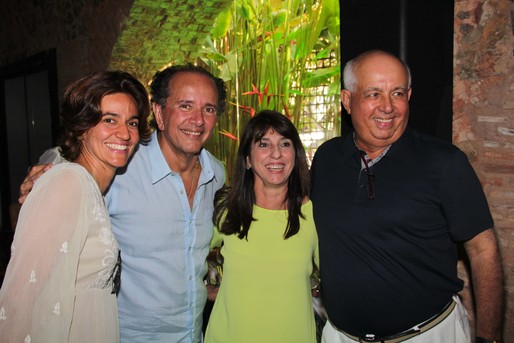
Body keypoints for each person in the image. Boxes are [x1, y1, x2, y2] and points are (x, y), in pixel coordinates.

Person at [18, 64, 228, 342]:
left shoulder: (217, 174)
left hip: (193, 335)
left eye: (209, 109)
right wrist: (48, 171)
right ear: (159, 113)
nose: (198, 119)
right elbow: (79, 156)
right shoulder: (121, 164)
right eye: (185, 106)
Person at [310, 50, 504, 343]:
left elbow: (483, 250)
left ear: (409, 96)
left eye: (397, 93)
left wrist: (489, 338)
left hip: (428, 335)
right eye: (373, 94)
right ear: (348, 100)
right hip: (341, 337)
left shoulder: (445, 163)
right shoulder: (326, 159)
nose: (387, 107)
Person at [0, 70, 152, 342]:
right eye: (109, 120)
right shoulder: (69, 182)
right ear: (82, 127)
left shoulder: (92, 187)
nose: (125, 134)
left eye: (132, 122)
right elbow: (25, 300)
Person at [204, 110, 319, 343]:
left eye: (284, 144)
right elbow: (186, 254)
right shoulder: (227, 210)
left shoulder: (313, 214)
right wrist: (203, 290)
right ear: (247, 159)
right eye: (264, 144)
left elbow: (340, 274)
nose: (276, 154)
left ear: (295, 156)